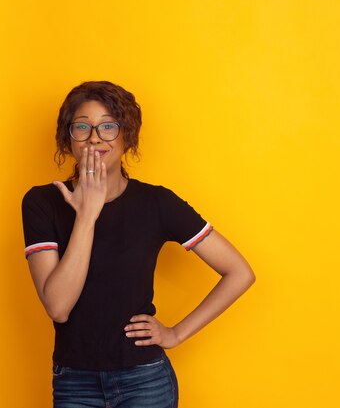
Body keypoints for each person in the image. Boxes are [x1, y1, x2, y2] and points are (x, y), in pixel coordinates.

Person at [21, 80, 255, 408]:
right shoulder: (42, 202)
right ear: (67, 137)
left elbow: (239, 272)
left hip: (144, 381)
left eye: (108, 126)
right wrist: (87, 215)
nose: (94, 137)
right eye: (82, 127)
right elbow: (59, 307)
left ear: (127, 135)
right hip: (74, 381)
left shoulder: (156, 203)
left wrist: (175, 333)